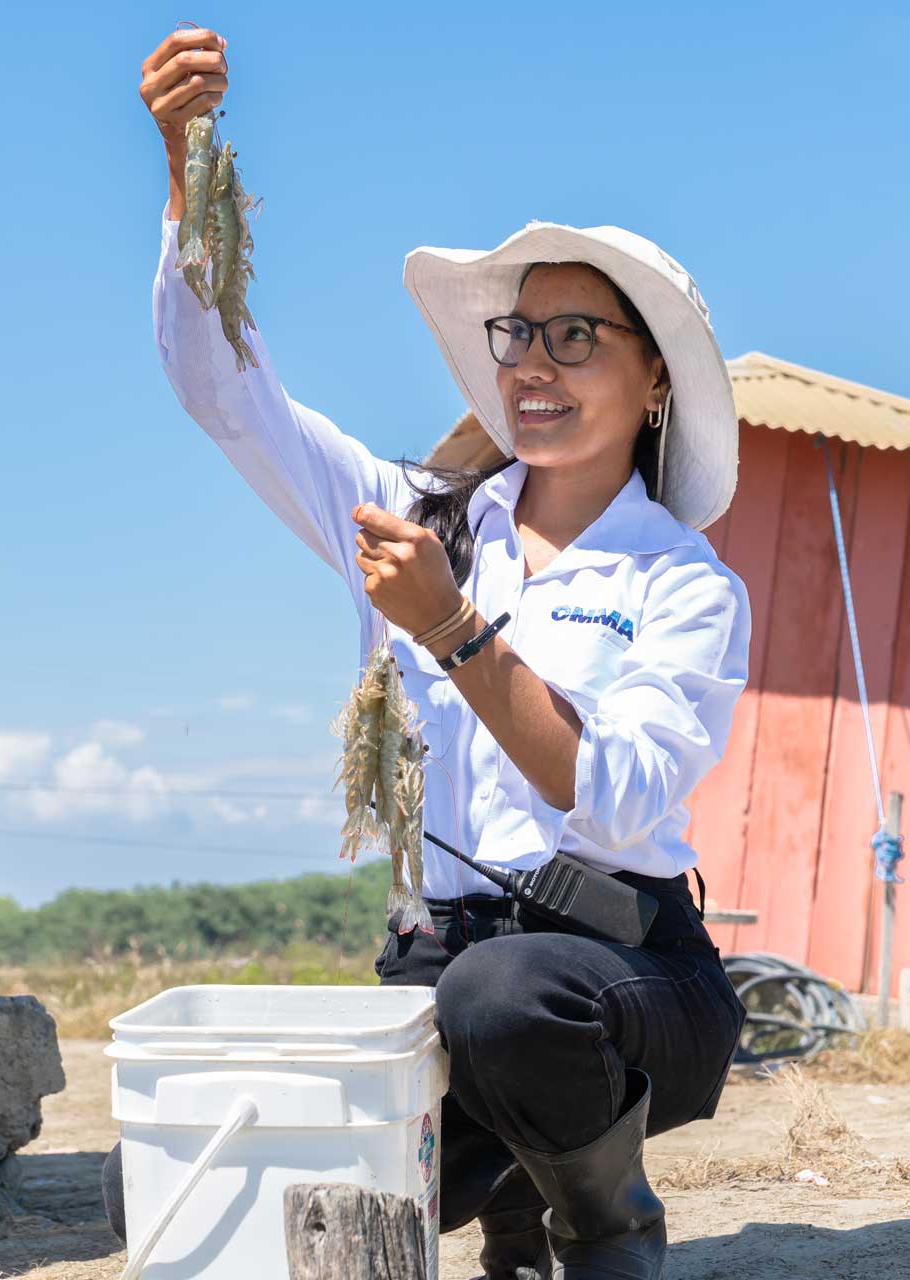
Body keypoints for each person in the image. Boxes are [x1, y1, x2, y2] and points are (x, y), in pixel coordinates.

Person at [130, 27, 751, 1280]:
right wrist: (188, 169)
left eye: (578, 338)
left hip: (621, 975)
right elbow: (224, 390)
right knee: (216, 1166)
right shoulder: (416, 517)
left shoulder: (683, 582)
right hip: (438, 961)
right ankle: (507, 1174)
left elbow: (619, 792)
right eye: (519, 337)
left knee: (506, 1000)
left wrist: (455, 632)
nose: (531, 365)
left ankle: (600, 1219)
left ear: (654, 384)